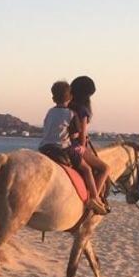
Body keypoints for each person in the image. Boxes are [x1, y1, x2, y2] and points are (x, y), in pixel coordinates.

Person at [38, 80, 105, 215]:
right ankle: (95, 198)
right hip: (62, 148)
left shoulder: (50, 111)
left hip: (44, 147)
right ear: (70, 97)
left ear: (53, 98)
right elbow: (76, 134)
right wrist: (81, 143)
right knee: (86, 169)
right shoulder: (71, 114)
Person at [68, 76, 111, 212]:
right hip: (74, 145)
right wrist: (82, 146)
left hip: (60, 143)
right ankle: (94, 198)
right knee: (105, 168)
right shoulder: (82, 110)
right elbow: (82, 134)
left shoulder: (66, 105)